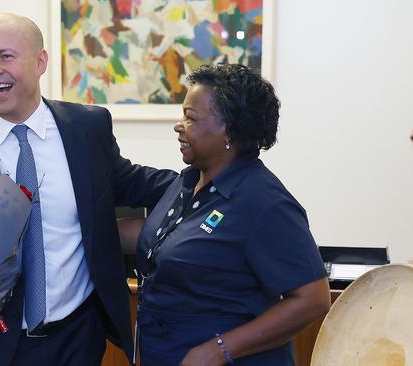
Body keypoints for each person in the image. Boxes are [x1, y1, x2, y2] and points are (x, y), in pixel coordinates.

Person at [0, 13, 176, 366]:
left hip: (78, 335)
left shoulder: (86, 128)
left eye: (5, 56)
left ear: (40, 62)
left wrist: (209, 180)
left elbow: (132, 182)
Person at [132, 64, 331, 365]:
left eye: (191, 118)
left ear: (230, 130)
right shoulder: (188, 182)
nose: (179, 125)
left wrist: (219, 349)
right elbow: (160, 237)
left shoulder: (264, 201)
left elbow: (313, 300)